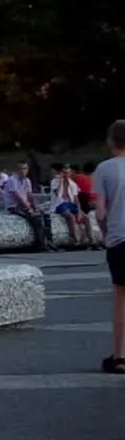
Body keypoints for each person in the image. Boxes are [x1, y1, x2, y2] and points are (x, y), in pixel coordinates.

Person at [96, 121, 125, 373]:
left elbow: (101, 213)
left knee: (120, 296)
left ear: (111, 140)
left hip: (120, 239)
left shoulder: (104, 169)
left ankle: (120, 356)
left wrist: (106, 236)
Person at [2, 160, 53, 251]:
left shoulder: (27, 180)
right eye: (20, 169)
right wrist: (30, 208)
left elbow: (30, 195)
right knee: (35, 218)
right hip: (14, 206)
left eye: (25, 169)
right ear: (16, 170)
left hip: (24, 205)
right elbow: (18, 197)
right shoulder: (12, 180)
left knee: (46, 215)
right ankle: (40, 244)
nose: (23, 171)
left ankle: (50, 241)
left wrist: (36, 207)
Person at [49, 163, 90, 247]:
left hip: (70, 204)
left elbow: (76, 199)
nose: (66, 175)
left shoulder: (73, 184)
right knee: (71, 217)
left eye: (67, 173)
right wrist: (61, 182)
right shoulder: (55, 181)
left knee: (86, 218)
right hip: (60, 204)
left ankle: (92, 240)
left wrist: (79, 211)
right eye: (64, 173)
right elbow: (57, 193)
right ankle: (76, 240)